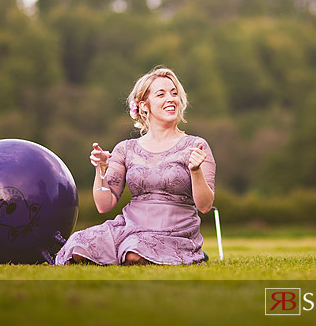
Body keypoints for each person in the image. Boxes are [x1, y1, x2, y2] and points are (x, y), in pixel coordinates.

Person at [55, 66, 216, 266]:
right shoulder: (125, 149)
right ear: (144, 106)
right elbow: (104, 205)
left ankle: (183, 252)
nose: (171, 99)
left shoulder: (196, 146)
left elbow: (205, 205)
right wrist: (101, 169)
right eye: (161, 94)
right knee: (78, 246)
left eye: (174, 93)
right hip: (130, 226)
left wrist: (195, 171)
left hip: (174, 229)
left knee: (134, 252)